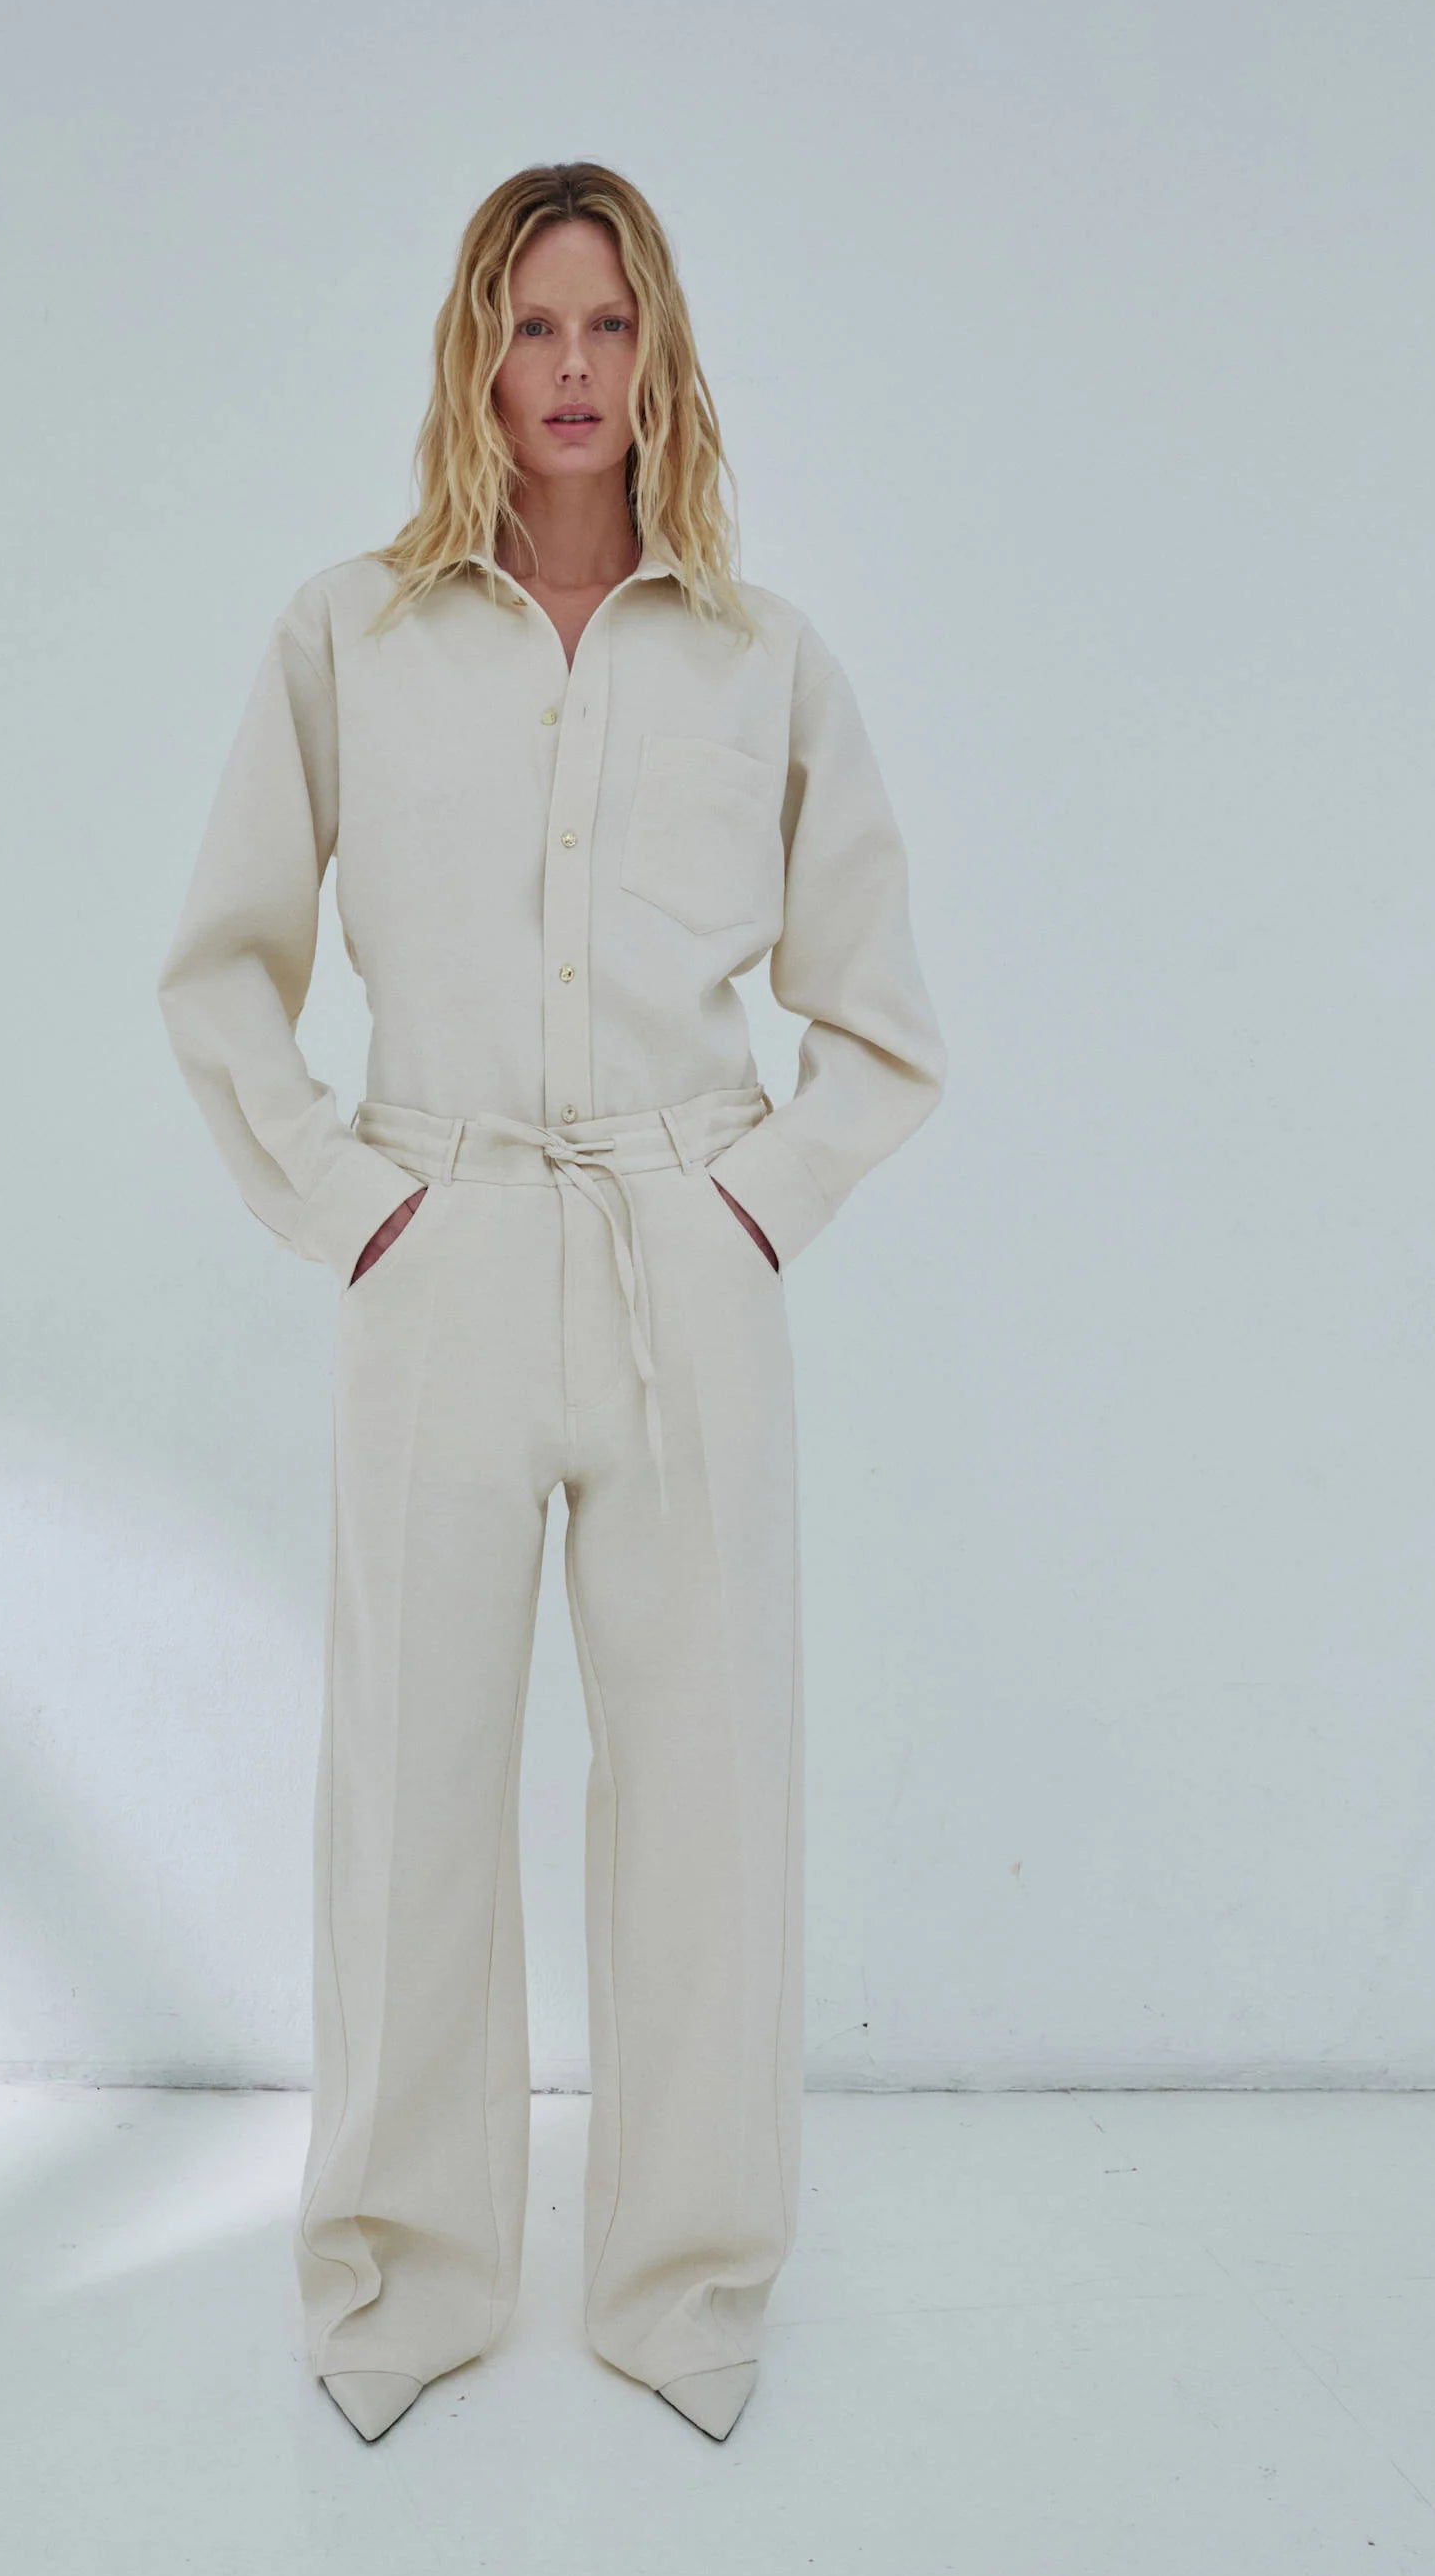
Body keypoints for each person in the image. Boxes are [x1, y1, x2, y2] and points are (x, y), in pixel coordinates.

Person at [156, 161, 947, 2444]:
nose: (571, 369)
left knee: (703, 1787)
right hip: (442, 1246)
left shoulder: (759, 654)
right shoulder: (349, 636)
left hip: (684, 1258)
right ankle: (399, 2275)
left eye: (607, 326)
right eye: (531, 326)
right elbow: (219, 968)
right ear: (473, 358)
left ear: (658, 352)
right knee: (409, 1782)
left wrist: (750, 1207)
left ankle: (684, 2282)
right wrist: (350, 1203)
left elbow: (879, 1020)